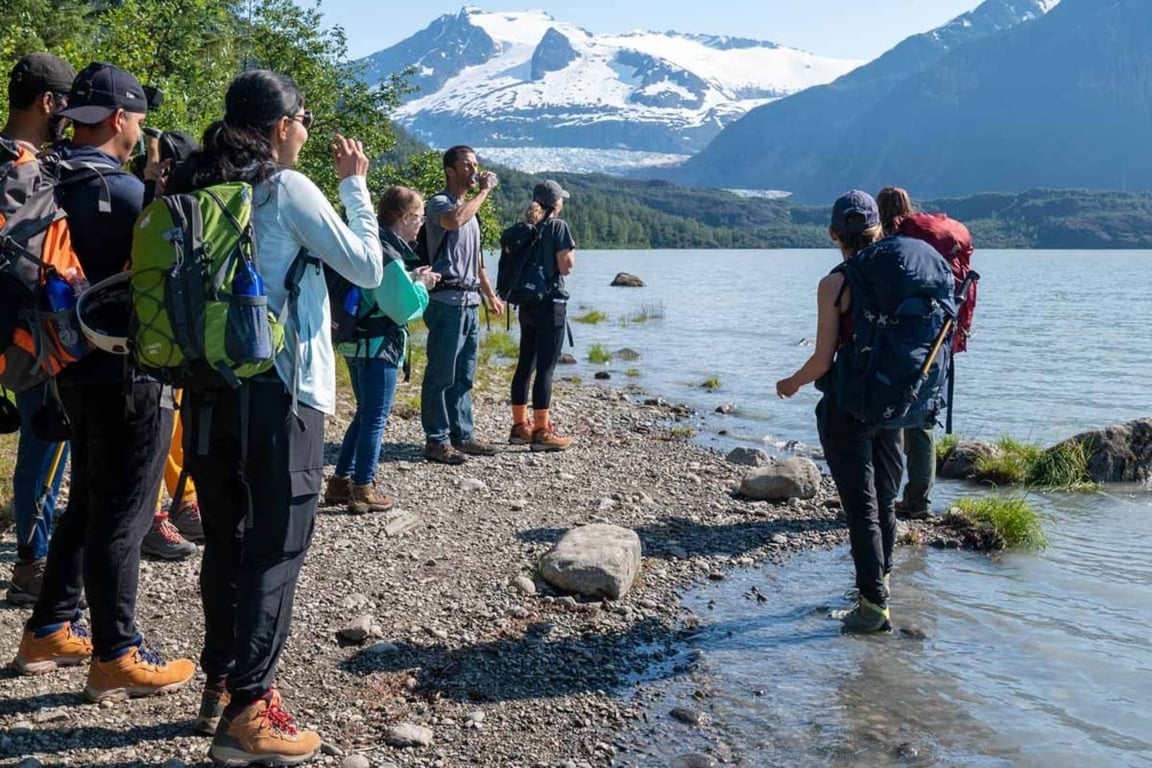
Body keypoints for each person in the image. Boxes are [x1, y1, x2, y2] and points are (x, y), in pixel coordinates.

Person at [168, 69, 383, 764]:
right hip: (280, 391)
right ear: (282, 126)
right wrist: (354, 183)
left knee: (227, 540)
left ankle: (221, 683)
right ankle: (251, 711)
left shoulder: (192, 185)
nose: (308, 133)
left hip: (206, 390)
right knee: (277, 546)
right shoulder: (284, 187)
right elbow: (368, 267)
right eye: (304, 122)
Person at [11, 62, 196, 697]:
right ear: (120, 119)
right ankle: (117, 651)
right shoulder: (128, 198)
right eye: (140, 118)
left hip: (66, 368)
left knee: (88, 497)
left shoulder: (45, 179)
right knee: (125, 509)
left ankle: (50, 628)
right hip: (129, 373)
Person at [775, 191, 899, 633]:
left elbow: (823, 361)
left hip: (848, 406)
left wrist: (790, 383)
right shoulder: (899, 275)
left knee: (860, 507)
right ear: (880, 230)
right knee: (886, 501)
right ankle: (881, 581)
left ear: (833, 234)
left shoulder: (835, 284)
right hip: (894, 402)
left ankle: (872, 607)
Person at [1, 53, 76, 606]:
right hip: (32, 337)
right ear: (48, 102)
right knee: (45, 444)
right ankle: (32, 562)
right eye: (67, 102)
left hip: (12, 333)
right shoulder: (27, 173)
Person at [325, 186, 439, 513]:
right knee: (375, 418)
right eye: (418, 217)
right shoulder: (388, 254)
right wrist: (422, 286)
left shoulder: (368, 243)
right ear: (403, 218)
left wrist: (410, 279)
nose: (421, 223)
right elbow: (401, 308)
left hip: (352, 342)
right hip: (378, 347)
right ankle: (363, 488)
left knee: (363, 415)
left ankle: (339, 482)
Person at [420, 145, 504, 464]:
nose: (473, 170)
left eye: (476, 165)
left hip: (469, 301)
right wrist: (483, 192)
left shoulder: (472, 212)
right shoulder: (440, 203)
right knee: (442, 373)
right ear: (450, 170)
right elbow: (454, 221)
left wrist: (491, 295)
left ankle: (462, 435)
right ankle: (436, 439)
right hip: (446, 300)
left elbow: (478, 262)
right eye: (466, 165)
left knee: (464, 373)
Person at [876, 186, 934, 520]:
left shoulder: (883, 247)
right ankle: (919, 502)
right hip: (933, 346)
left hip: (895, 347)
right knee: (923, 423)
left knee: (887, 419)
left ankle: (883, 496)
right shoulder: (927, 247)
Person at [508, 180, 576, 451]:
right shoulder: (558, 226)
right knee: (546, 368)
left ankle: (519, 427)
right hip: (551, 304)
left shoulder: (528, 226)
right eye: (562, 201)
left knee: (525, 363)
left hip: (527, 305)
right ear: (556, 203)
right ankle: (541, 431)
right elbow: (566, 267)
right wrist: (571, 253)